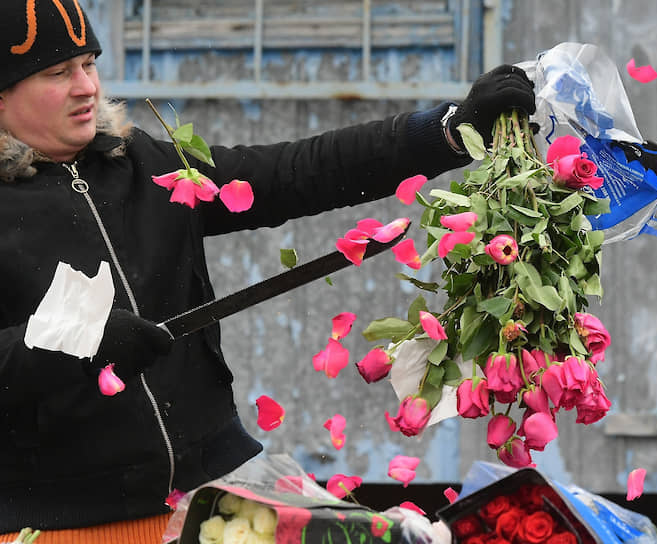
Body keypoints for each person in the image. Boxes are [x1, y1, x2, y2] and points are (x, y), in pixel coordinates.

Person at [0, 0, 535, 540]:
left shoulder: (145, 164)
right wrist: (68, 341)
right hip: (69, 521)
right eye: (56, 72)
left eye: (88, 64)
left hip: (220, 498)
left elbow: (294, 172)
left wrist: (446, 131)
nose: (86, 86)